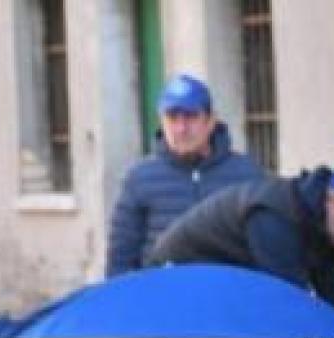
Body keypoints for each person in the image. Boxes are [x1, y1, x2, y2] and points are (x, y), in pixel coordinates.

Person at [148, 160, 334, 330]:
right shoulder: (275, 218)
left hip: (220, 282)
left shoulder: (326, 227)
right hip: (174, 275)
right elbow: (288, 308)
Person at [104, 74, 264, 277]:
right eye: (172, 118)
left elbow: (266, 248)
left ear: (210, 121)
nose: (181, 129)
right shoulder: (139, 180)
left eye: (190, 117)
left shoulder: (246, 175)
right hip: (164, 298)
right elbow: (120, 260)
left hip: (228, 297)